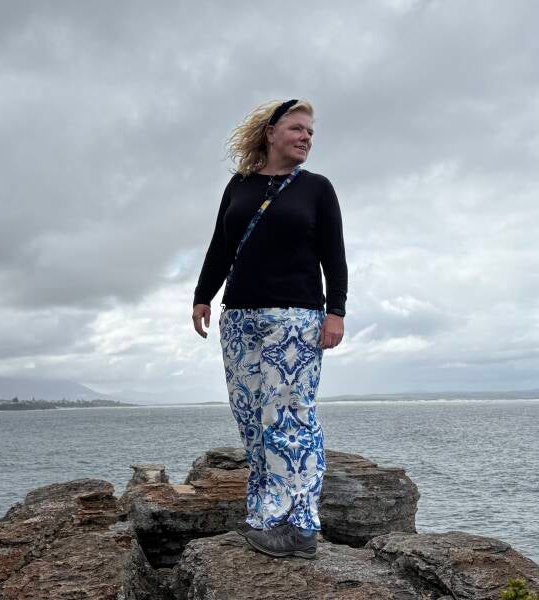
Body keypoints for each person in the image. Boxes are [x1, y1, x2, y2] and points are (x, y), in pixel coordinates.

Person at [191, 98, 347, 559]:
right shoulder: (239, 185)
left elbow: (334, 256)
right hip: (239, 317)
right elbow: (221, 246)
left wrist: (336, 312)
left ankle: (300, 527)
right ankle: (266, 516)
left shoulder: (317, 189)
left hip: (295, 319)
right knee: (251, 419)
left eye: (310, 132)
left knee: (290, 419)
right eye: (297, 128)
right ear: (271, 131)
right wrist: (203, 295)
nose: (306, 137)